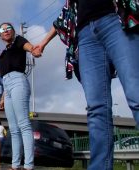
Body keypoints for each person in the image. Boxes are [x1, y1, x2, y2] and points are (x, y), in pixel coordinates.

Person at [33, 1, 139, 169]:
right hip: (85, 35)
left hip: (114, 20)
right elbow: (65, 13)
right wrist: (44, 42)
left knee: (136, 94)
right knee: (96, 109)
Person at [0, 22, 41, 170]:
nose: (6, 31)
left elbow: (28, 46)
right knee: (13, 129)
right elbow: (4, 77)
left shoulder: (19, 41)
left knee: (24, 124)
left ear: (13, 31)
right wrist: (3, 96)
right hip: (7, 87)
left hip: (18, 82)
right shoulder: (3, 53)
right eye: (2, 30)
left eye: (8, 28)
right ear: (0, 36)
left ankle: (28, 166)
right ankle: (15, 165)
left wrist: (34, 50)